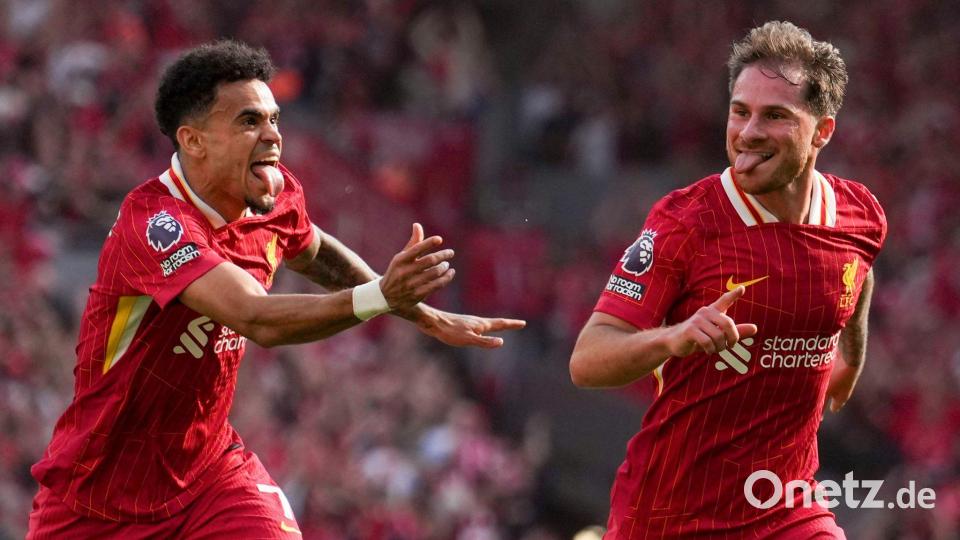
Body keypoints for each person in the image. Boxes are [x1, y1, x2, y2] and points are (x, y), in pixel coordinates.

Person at [27, 40, 524, 539]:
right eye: (249, 122)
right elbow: (255, 318)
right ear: (194, 140)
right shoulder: (155, 224)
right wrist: (381, 298)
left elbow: (315, 250)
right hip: (97, 497)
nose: (272, 137)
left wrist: (421, 314)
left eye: (275, 119)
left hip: (207, 476)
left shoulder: (274, 192)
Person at [570, 21, 886, 538]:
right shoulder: (684, 222)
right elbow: (587, 361)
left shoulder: (858, 214)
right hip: (670, 513)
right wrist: (673, 337)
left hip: (788, 507)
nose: (749, 131)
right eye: (740, 112)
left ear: (823, 131)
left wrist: (851, 355)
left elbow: (859, 274)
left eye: (775, 116)